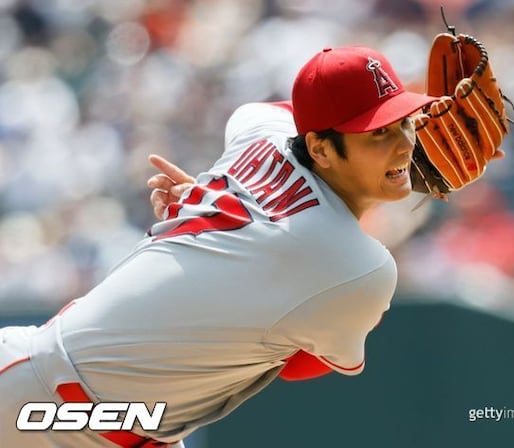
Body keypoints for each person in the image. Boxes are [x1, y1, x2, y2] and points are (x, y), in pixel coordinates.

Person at [0, 45, 437, 447]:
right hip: (46, 410)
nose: (405, 144)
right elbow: (300, 364)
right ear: (320, 148)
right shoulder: (353, 264)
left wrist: (219, 210)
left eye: (405, 121)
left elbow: (274, 113)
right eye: (378, 133)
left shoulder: (263, 133)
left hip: (95, 409)